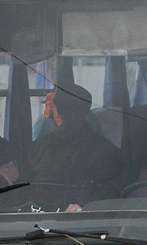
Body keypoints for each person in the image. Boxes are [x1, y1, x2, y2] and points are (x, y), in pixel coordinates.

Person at [25, 81, 122, 210]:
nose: (50, 116)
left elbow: (110, 195)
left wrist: (84, 205)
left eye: (59, 110)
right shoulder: (35, 149)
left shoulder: (106, 155)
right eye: (49, 108)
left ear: (79, 114)